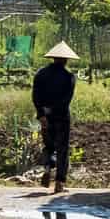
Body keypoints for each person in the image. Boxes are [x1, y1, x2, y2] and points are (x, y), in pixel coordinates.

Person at [32, 42, 78, 193]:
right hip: (61, 116)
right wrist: (54, 110)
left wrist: (42, 114)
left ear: (52, 58)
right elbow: (66, 100)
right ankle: (59, 183)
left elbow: (35, 96)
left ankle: (47, 168)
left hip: (45, 116)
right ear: (66, 60)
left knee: (49, 146)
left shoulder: (40, 74)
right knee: (62, 148)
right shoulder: (69, 77)